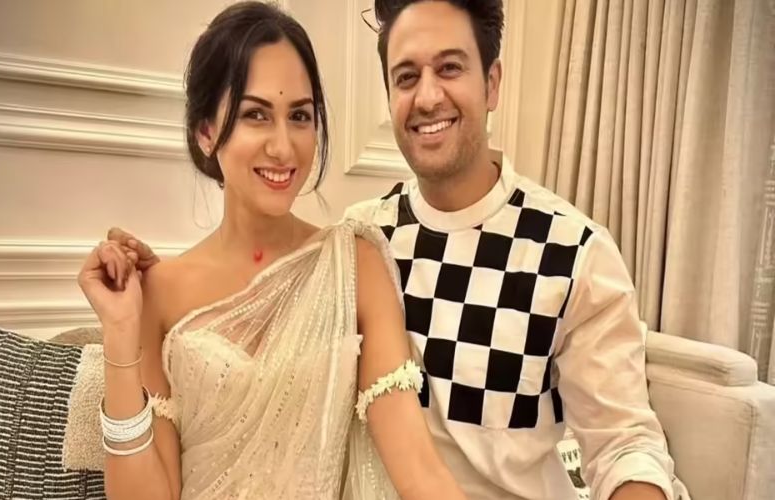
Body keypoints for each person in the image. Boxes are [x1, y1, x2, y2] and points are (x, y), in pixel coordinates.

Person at [112, 1, 691, 499]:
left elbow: (625, 445)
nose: (428, 96)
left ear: (492, 83)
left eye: (450, 68)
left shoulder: (571, 251)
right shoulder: (365, 235)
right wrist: (134, 323)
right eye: (407, 76)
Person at [79, 2, 465, 499]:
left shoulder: (354, 266)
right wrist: (120, 333)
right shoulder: (160, 291)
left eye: (299, 116)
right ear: (206, 132)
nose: (284, 147)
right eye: (255, 115)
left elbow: (420, 473)